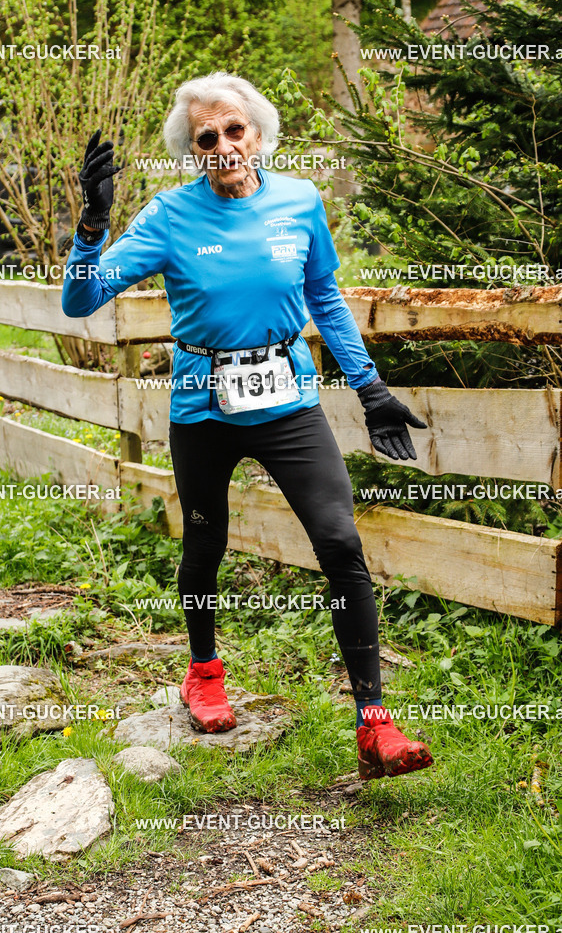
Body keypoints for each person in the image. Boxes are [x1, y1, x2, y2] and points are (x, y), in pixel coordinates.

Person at [62, 71, 433, 781]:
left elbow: (324, 297)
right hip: (203, 406)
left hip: (289, 402)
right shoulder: (171, 217)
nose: (225, 146)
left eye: (235, 130)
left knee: (339, 541)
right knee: (205, 544)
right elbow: (83, 301)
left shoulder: (300, 201)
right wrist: (90, 225)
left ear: (258, 134)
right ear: (194, 152)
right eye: (208, 138)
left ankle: (374, 724)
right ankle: (203, 674)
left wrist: (371, 388)